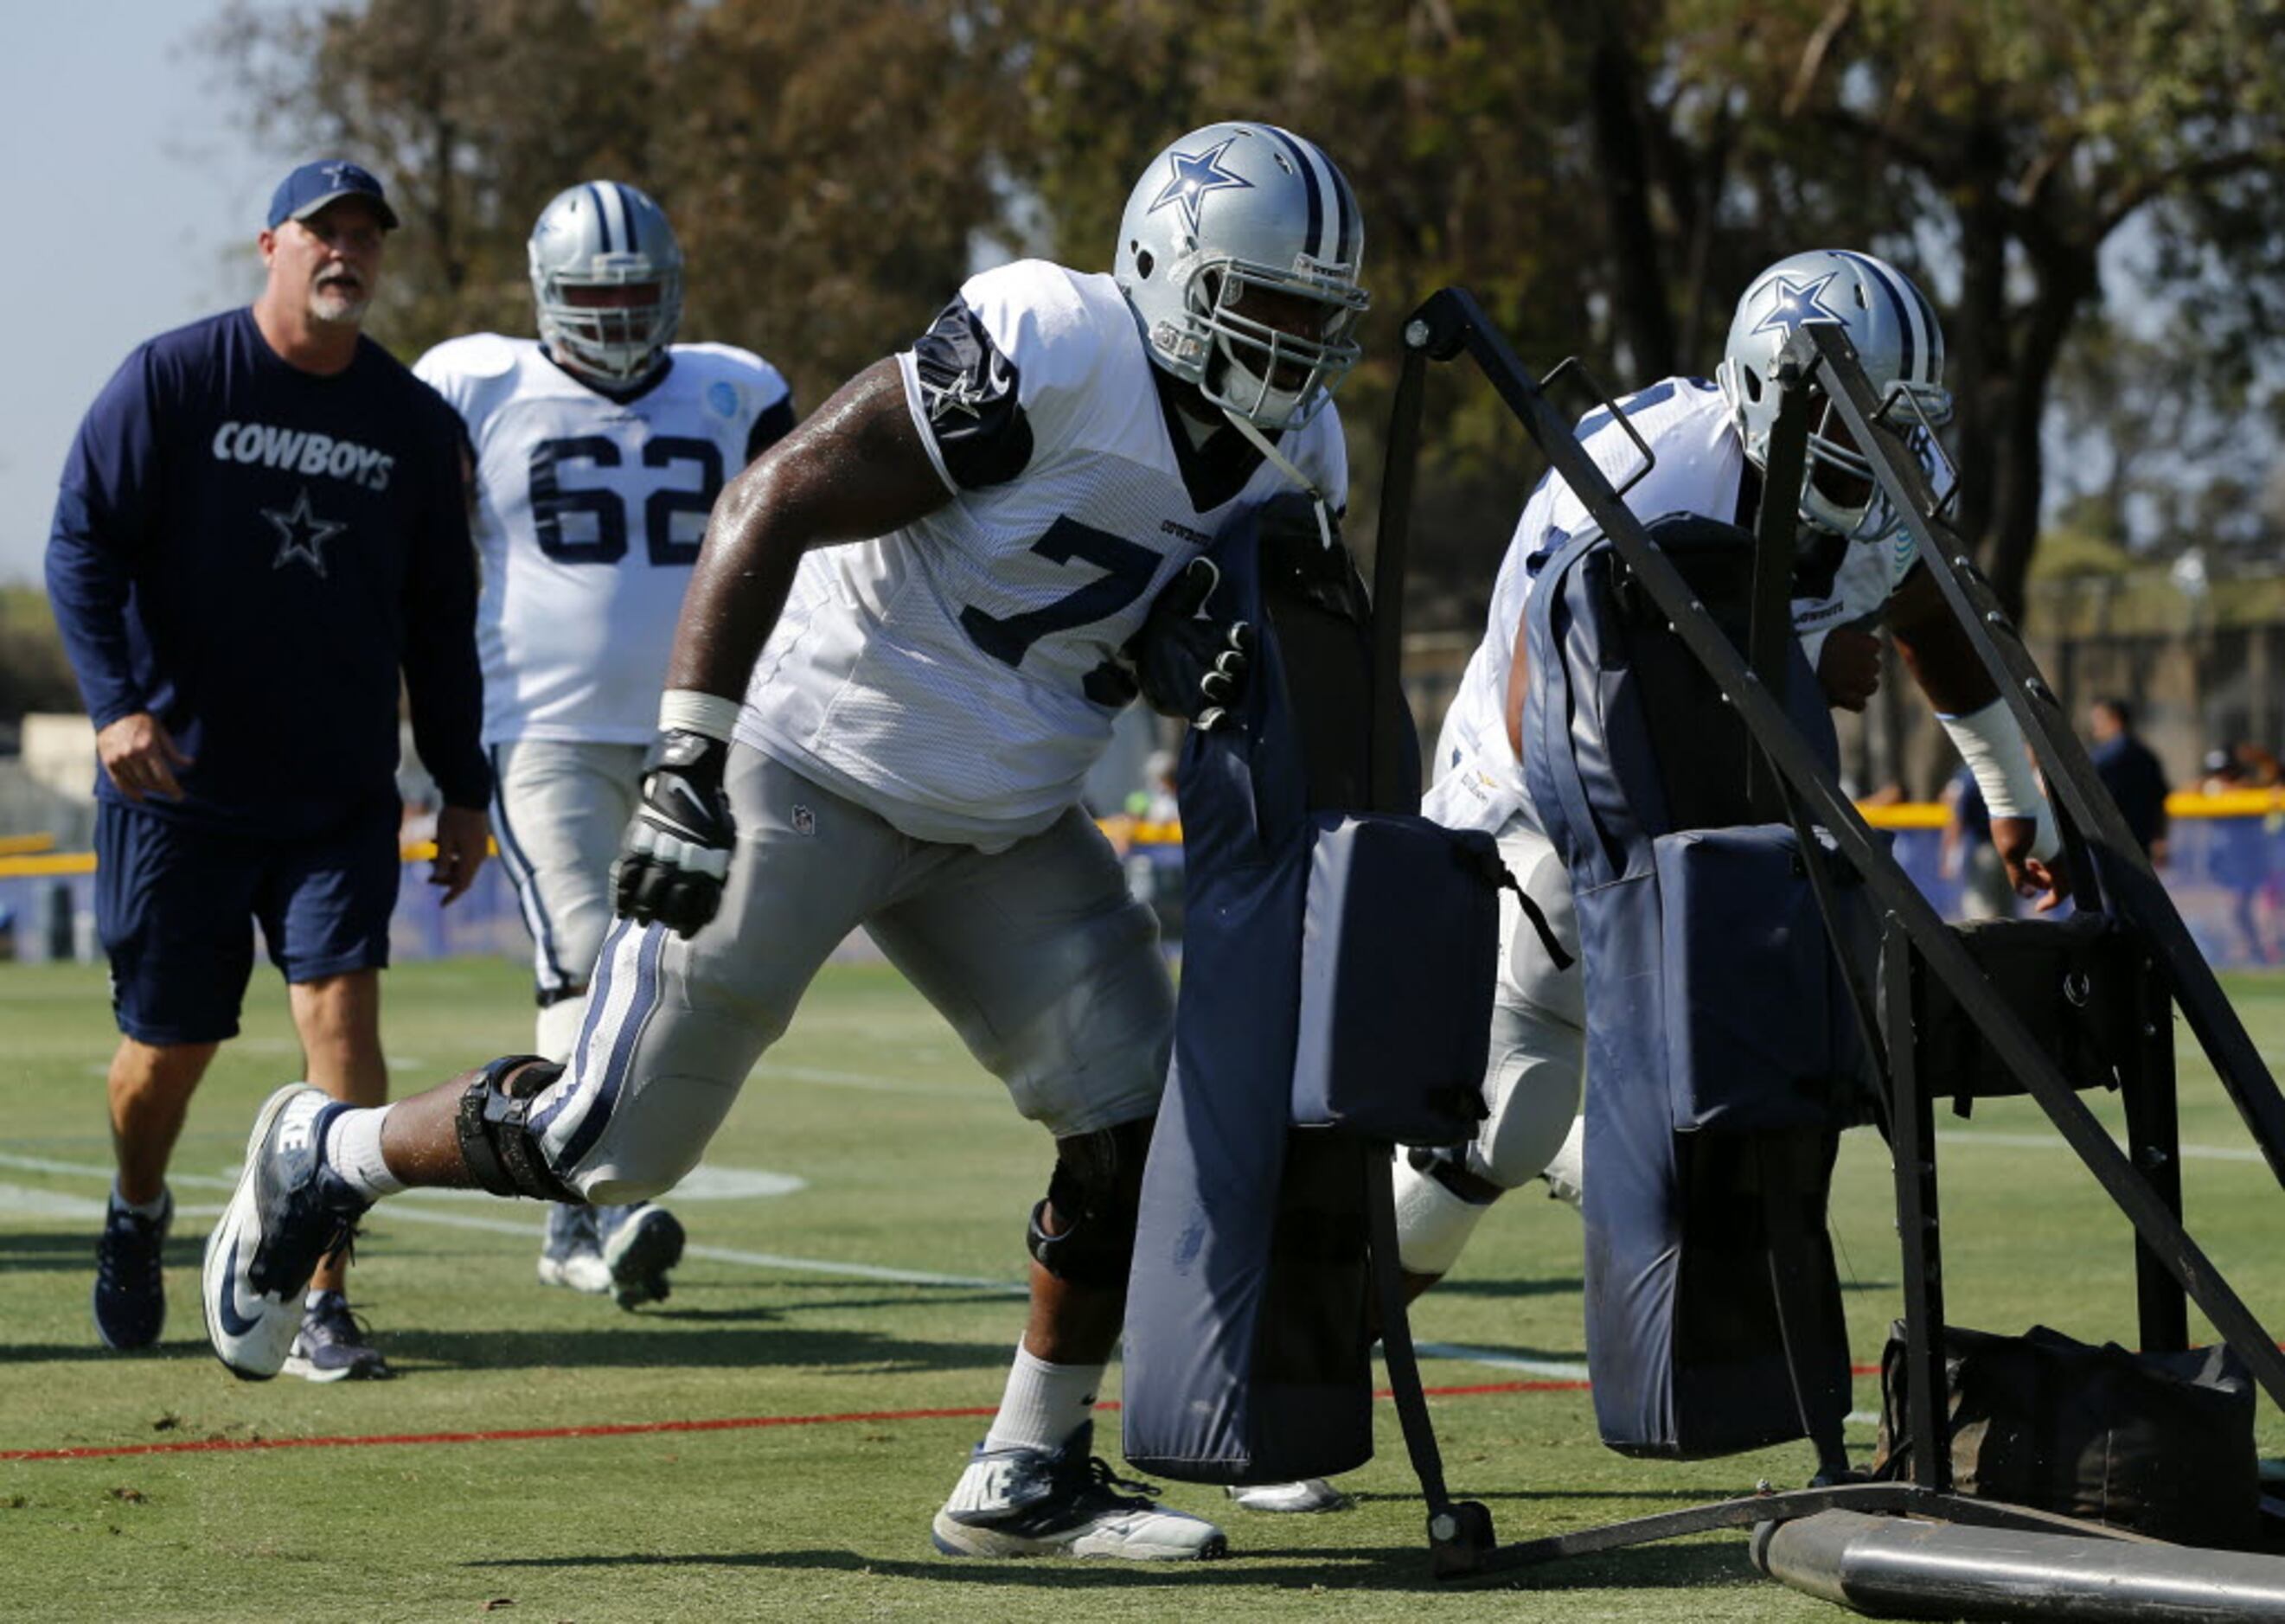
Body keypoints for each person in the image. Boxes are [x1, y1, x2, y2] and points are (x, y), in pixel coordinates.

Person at [204, 121, 1368, 1558]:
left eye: (1320, 314)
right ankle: (329, 1148)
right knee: (607, 1141)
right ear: (1166, 272)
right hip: (810, 758)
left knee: (1135, 1117)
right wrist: (687, 760)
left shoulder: (1291, 451)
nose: (1298, 344)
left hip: (1004, 813)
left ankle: (1027, 1469)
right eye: (1270, 305)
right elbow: (774, 498)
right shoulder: (1052, 343)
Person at [48, 160, 490, 1379]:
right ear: (271, 246)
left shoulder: (411, 423)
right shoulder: (177, 379)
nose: (345, 251)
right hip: (175, 784)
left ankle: (321, 1296)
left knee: (339, 1015)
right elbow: (79, 544)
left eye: (365, 235)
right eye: (323, 231)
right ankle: (138, 1207)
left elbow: (439, 620)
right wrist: (114, 706)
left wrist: (463, 784)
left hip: (336, 790)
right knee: (164, 1054)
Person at [413, 181, 796, 1308]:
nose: (622, 317)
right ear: (545, 294)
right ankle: (598, 1206)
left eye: (638, 293)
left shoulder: (736, 388)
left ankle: (580, 1206)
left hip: (699, 732)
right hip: (541, 726)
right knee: (583, 955)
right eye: (596, 294)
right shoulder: (474, 383)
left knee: (678, 971)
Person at [2088, 696, 2169, 865]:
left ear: (2115, 719)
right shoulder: (2145, 754)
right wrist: (2159, 836)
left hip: (2110, 840)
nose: (2094, 725)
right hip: (2139, 840)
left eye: (2098, 719)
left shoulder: (2108, 757)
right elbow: (2160, 798)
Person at [1939, 762, 2015, 920]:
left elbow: (1957, 815)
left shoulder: (1970, 773)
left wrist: (1951, 854)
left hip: (1986, 848)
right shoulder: (2005, 765)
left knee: (1981, 910)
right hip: (2009, 847)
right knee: (2006, 912)